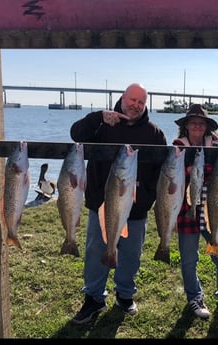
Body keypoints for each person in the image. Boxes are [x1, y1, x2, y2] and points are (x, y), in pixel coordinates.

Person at [69, 83, 167, 324]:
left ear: (146, 105)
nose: (135, 105)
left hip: (136, 211)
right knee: (95, 252)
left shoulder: (154, 134)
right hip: (101, 206)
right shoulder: (104, 123)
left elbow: (161, 171)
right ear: (122, 98)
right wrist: (97, 118)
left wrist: (145, 198)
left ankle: (125, 295)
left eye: (141, 102)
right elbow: (76, 135)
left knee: (131, 255)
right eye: (132, 100)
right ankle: (93, 298)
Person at [173, 104, 218, 319]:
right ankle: (194, 298)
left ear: (207, 127)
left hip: (213, 208)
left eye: (201, 123)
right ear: (186, 126)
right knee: (189, 258)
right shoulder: (177, 146)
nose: (197, 126)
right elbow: (170, 175)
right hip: (187, 210)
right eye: (193, 122)